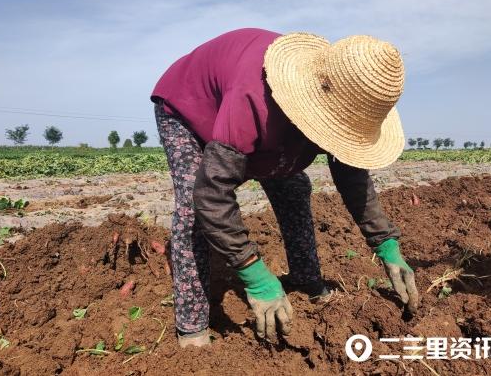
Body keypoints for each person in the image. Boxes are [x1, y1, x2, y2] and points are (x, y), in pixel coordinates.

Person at [150, 28, 418, 348]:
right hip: (190, 106)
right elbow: (211, 193)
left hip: (261, 121)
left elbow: (351, 174)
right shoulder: (254, 101)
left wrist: (385, 244)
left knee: (291, 185)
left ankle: (306, 283)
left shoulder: (339, 96)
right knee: (194, 210)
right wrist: (254, 274)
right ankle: (192, 327)